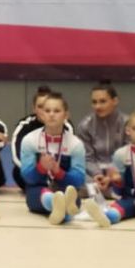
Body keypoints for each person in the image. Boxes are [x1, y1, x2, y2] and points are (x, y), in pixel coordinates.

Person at [18, 91, 85, 225]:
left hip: (65, 188)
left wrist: (59, 172)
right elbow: (27, 177)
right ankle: (60, 208)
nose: (51, 114)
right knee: (35, 194)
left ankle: (59, 209)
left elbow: (79, 180)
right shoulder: (29, 140)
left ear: (66, 115)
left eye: (57, 111)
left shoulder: (75, 144)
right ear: (41, 114)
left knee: (74, 198)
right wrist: (41, 168)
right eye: (47, 111)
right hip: (38, 190)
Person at [9, 86, 71, 191]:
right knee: (17, 171)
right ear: (34, 108)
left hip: (57, 170)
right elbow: (17, 156)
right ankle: (41, 188)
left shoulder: (66, 126)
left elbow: (69, 155)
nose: (44, 111)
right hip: (35, 171)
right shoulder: (24, 126)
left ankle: (54, 187)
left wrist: (54, 171)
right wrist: (38, 170)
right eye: (40, 107)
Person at [88, 113, 135, 226]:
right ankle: (106, 215)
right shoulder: (121, 155)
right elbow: (117, 192)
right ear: (128, 130)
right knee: (116, 210)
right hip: (130, 199)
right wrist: (117, 181)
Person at [76, 82, 126, 178]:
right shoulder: (85, 125)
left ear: (115, 101)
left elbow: (130, 155)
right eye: (94, 102)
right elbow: (87, 158)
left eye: (103, 101)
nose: (97, 106)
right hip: (93, 175)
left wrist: (114, 174)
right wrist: (97, 174)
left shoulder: (127, 124)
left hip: (121, 173)